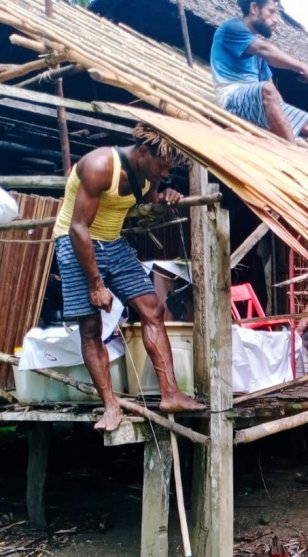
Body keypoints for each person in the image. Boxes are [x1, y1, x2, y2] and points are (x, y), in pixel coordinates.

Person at [52, 131, 206, 432]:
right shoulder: (100, 166)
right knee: (91, 327)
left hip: (113, 242)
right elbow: (78, 228)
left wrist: (166, 197)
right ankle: (111, 405)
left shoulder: (149, 174)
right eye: (162, 165)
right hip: (76, 244)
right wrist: (97, 284)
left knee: (153, 309)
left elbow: (149, 204)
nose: (165, 172)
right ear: (144, 152)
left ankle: (170, 394)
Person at [210, 0, 308, 155]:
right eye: (271, 12)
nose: (276, 19)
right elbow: (266, 51)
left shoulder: (258, 54)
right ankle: (295, 154)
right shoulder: (232, 28)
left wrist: (287, 120)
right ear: (254, 8)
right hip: (231, 99)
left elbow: (272, 92)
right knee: (266, 89)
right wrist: (303, 68)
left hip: (257, 101)